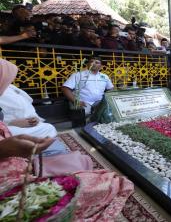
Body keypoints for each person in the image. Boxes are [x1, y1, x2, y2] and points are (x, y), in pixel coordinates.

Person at [0, 122, 134, 221]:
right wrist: (4, 150)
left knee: (56, 138)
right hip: (11, 184)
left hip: (23, 166)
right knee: (111, 181)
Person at [0, 59, 57, 138]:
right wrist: (10, 123)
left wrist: (35, 119)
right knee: (48, 129)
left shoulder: (10, 87)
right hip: (9, 129)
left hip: (27, 126)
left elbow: (27, 107)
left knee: (49, 128)